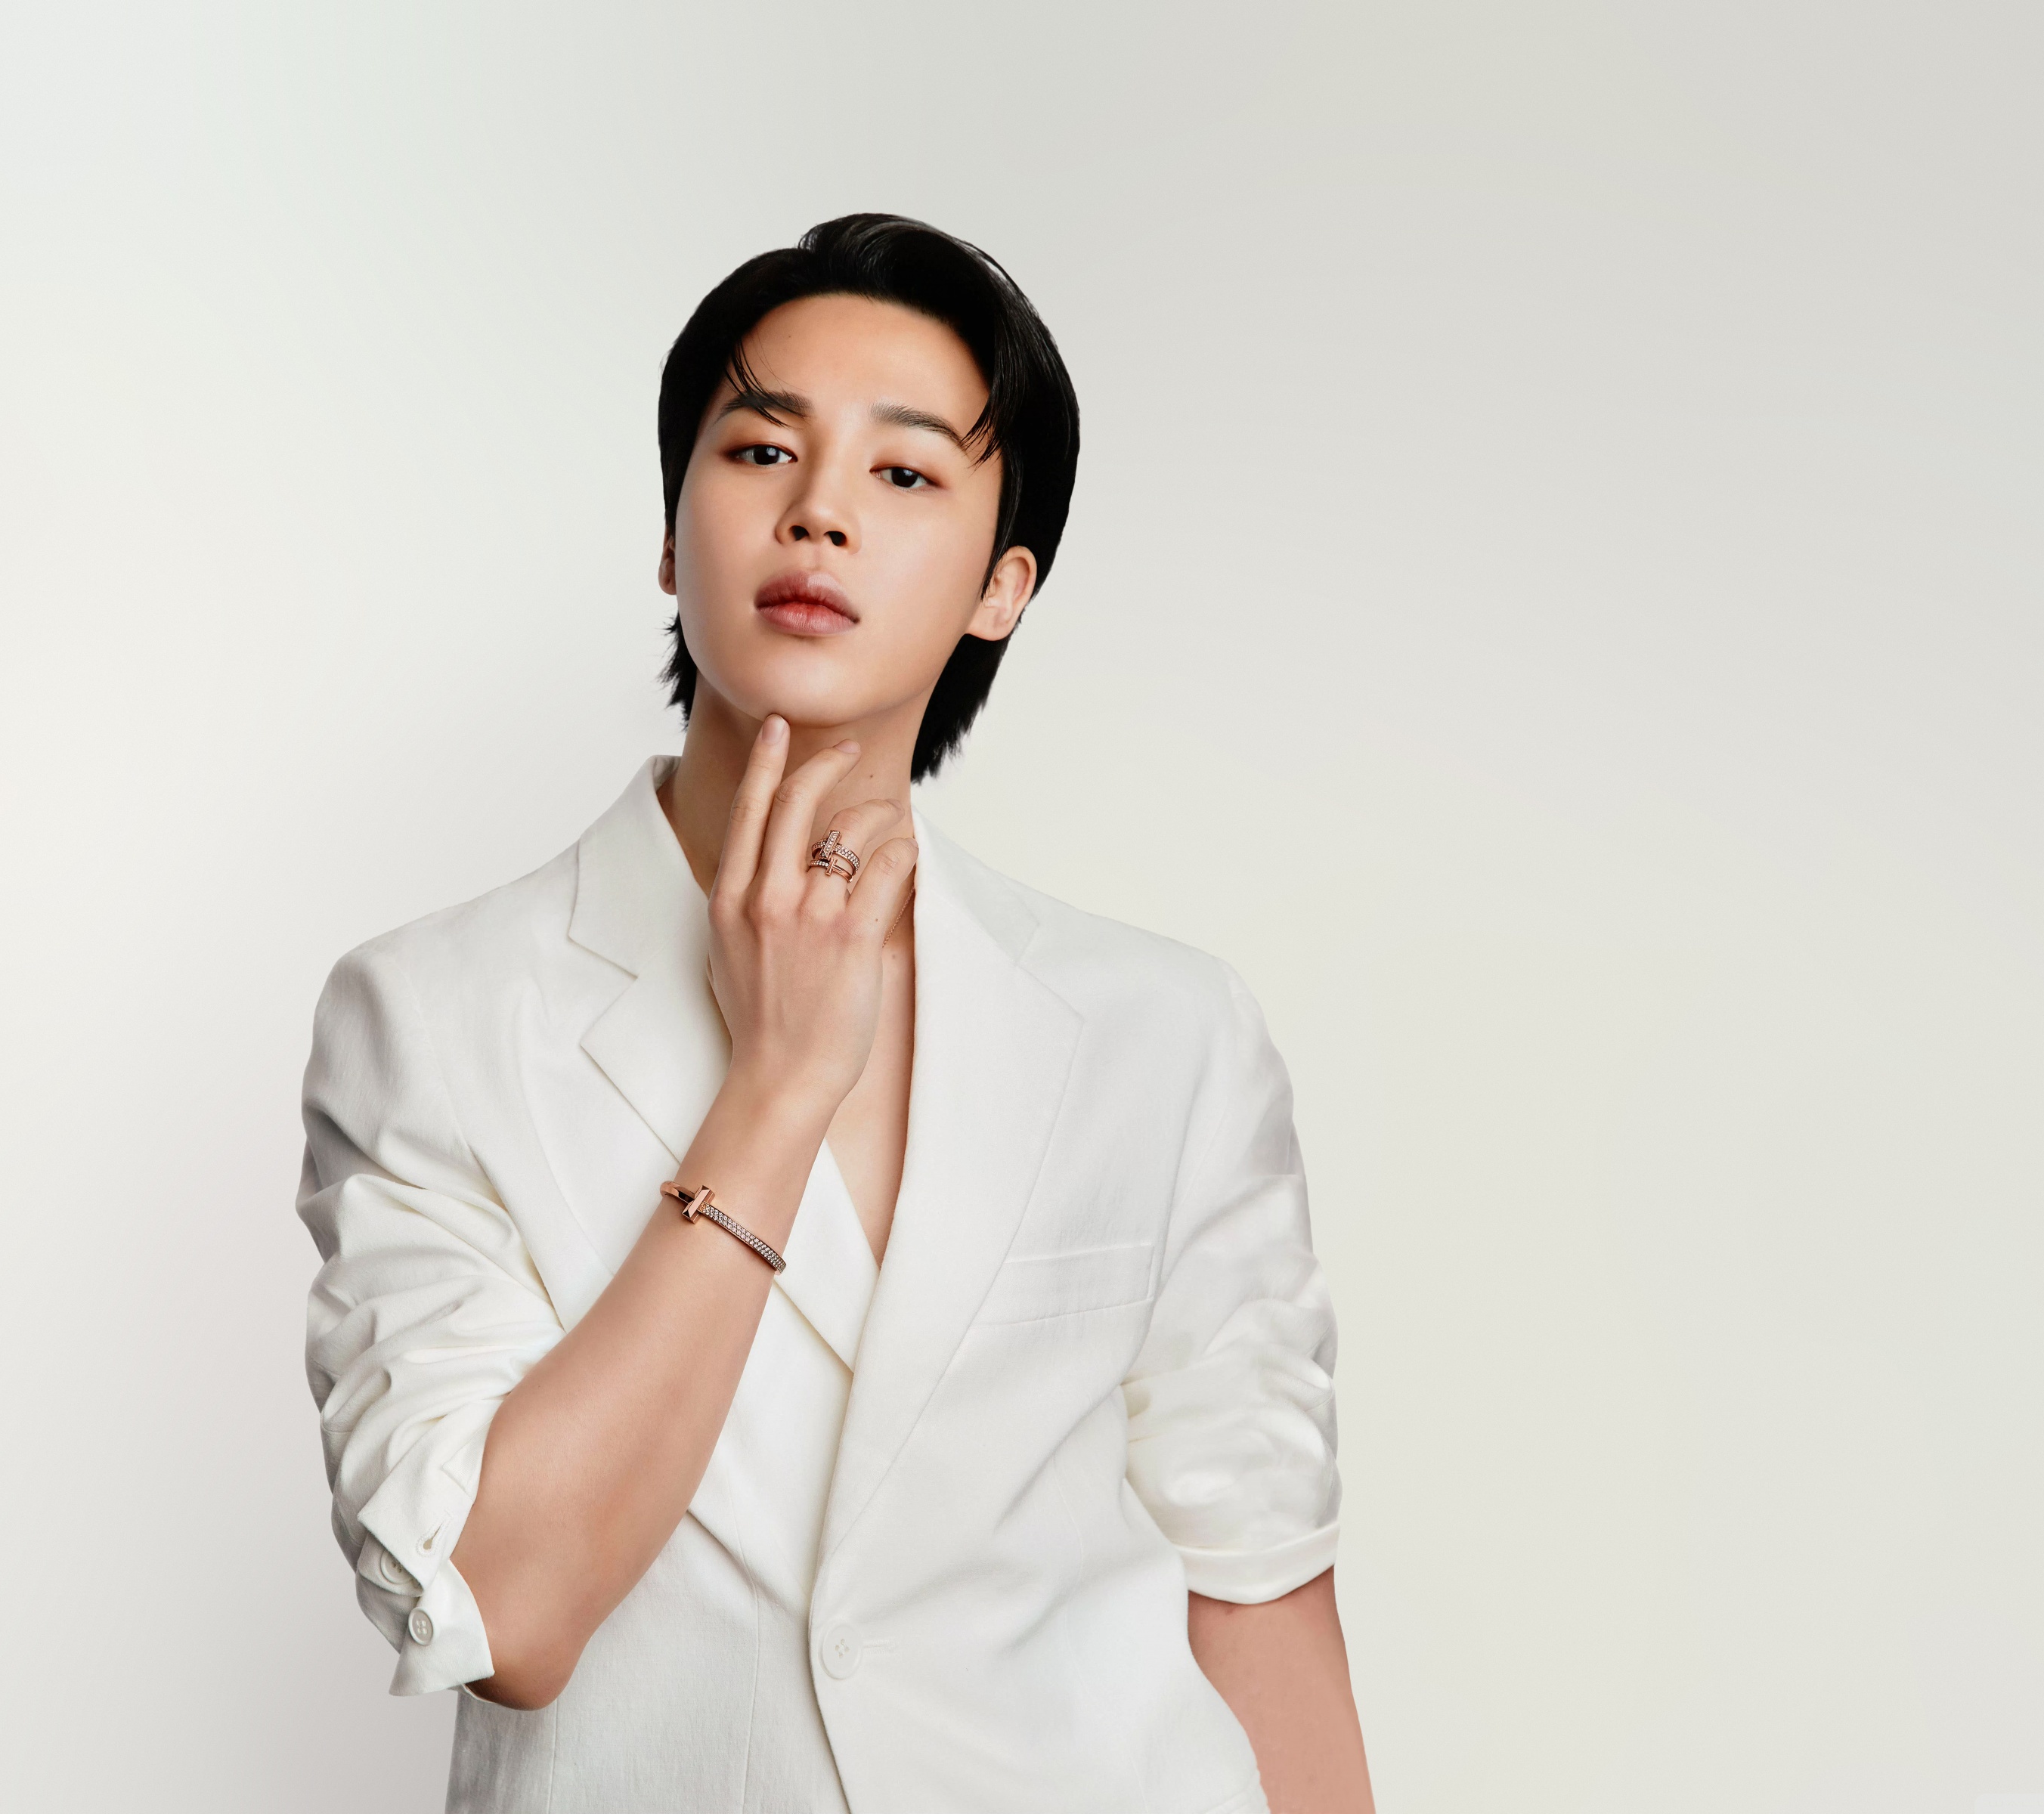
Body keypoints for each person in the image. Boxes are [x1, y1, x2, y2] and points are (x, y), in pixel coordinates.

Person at [297, 213, 1374, 1813]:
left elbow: (1260, 1591)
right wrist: (778, 1088)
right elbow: (505, 1612)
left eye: (906, 472)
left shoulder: (1166, 1033)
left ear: (1003, 587)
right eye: (760, 450)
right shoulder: (433, 1016)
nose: (819, 511)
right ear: (674, 539)